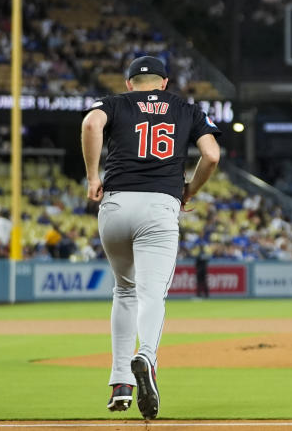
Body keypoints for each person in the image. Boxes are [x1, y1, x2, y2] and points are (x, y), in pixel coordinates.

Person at [82, 55, 222, 419]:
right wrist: (190, 189)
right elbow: (211, 154)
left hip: (114, 205)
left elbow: (91, 125)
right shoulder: (186, 109)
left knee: (124, 291)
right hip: (160, 205)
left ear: (129, 83)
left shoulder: (113, 103)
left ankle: (120, 382)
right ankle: (146, 356)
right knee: (151, 294)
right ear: (164, 82)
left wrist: (93, 177)